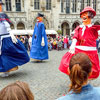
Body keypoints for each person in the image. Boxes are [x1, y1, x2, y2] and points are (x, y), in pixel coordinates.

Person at [59, 6, 100, 79]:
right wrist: (73, 44)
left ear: (90, 16)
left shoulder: (94, 28)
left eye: (86, 14)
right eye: (82, 14)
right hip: (79, 50)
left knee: (89, 68)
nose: (83, 16)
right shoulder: (79, 27)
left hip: (90, 52)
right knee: (72, 64)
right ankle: (76, 77)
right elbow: (75, 36)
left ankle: (85, 79)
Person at [0, 0, 30, 77]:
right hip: (1, 38)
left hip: (6, 38)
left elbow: (7, 25)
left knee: (8, 53)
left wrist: (11, 33)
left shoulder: (3, 15)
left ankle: (6, 70)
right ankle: (4, 69)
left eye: (1, 5)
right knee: (2, 55)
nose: (0, 7)